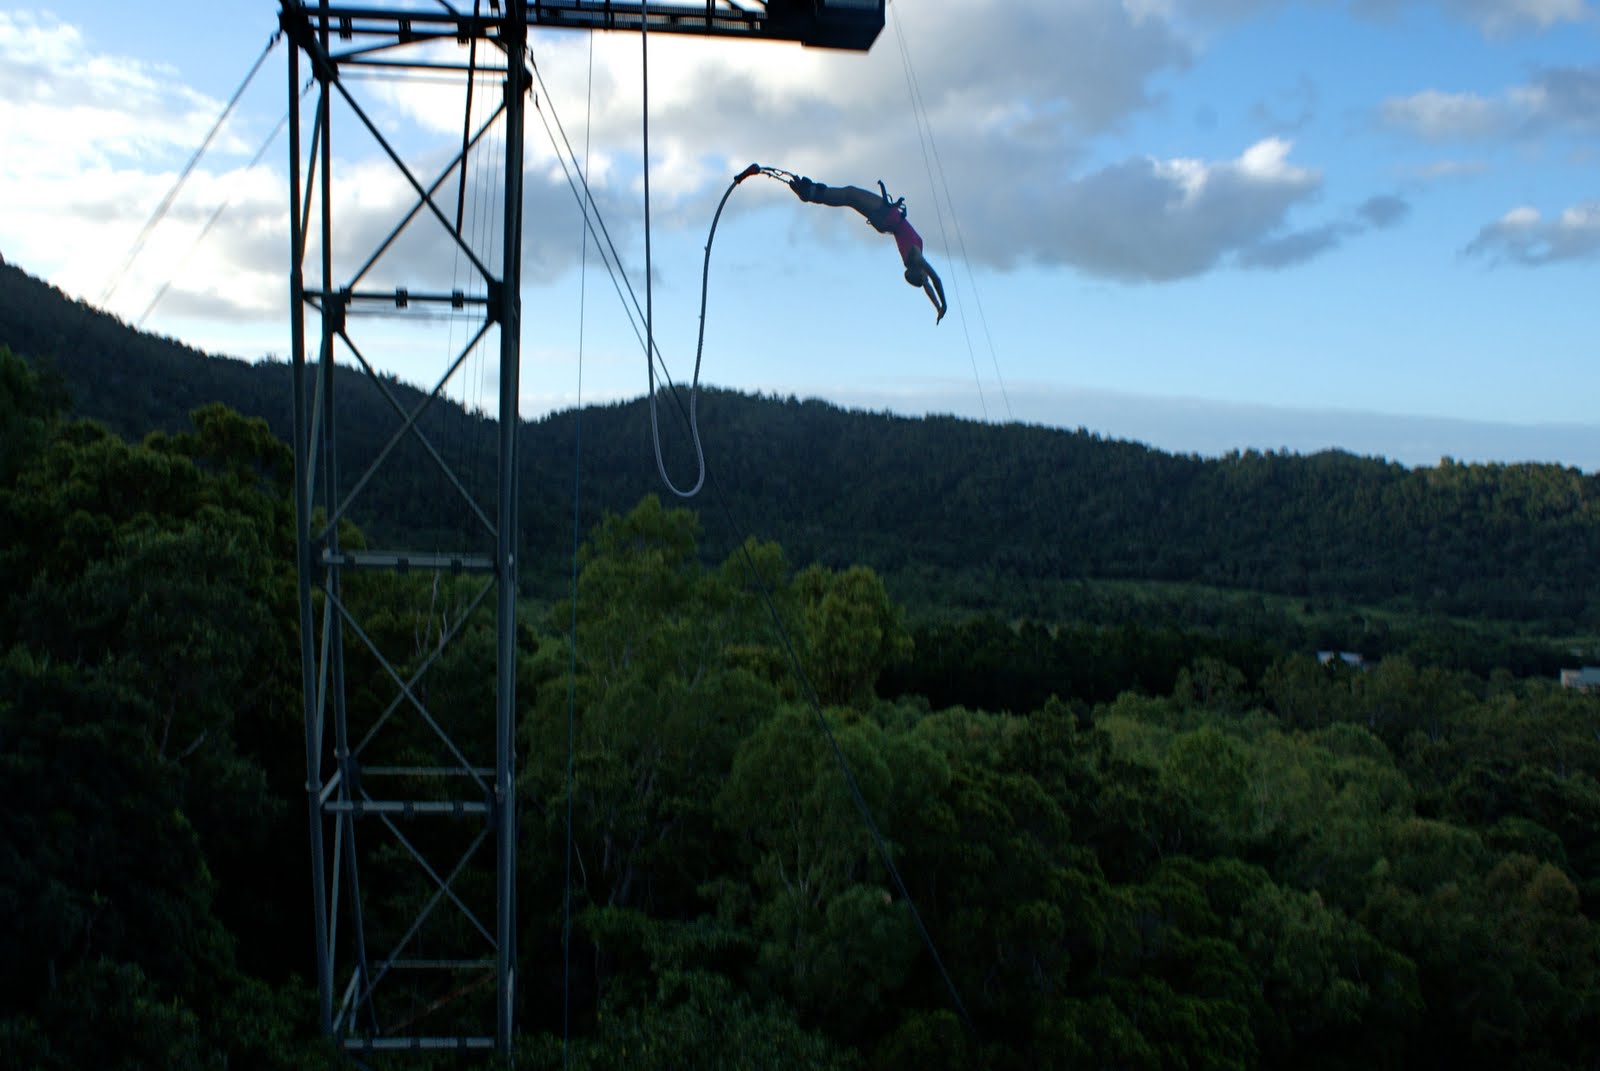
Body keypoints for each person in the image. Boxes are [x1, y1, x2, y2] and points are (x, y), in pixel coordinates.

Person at [791, 176, 947, 323]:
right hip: (887, 219)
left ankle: (810, 193)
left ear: (919, 271)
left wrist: (944, 305)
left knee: (850, 194)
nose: (926, 276)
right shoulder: (916, 265)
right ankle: (810, 192)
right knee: (849, 197)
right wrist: (938, 307)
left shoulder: (916, 258)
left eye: (924, 275)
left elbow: (936, 280)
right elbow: (928, 285)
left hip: (888, 216)